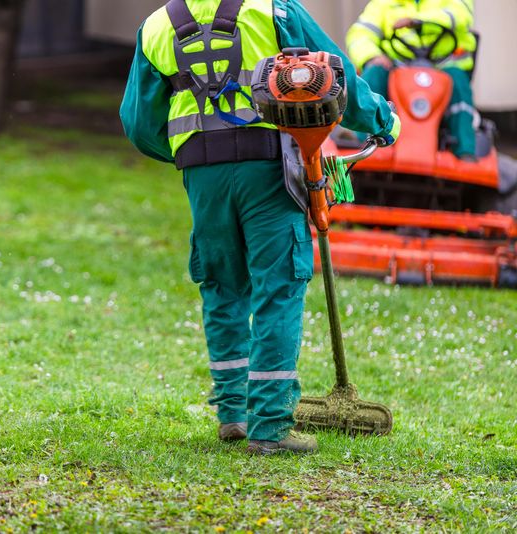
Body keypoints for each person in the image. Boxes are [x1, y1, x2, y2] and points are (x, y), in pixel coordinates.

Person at [120, 0, 400, 455]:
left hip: (201, 173)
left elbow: (138, 123)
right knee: (278, 284)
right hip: (267, 166)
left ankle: (233, 414)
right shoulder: (273, 11)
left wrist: (186, 153)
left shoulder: (155, 26)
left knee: (221, 283)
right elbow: (335, 74)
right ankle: (269, 425)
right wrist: (383, 121)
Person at [347, 0, 476, 160]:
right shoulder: (383, 4)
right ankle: (362, 144)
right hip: (397, 68)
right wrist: (372, 56)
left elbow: (460, 16)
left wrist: (419, 22)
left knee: (458, 81)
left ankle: (465, 151)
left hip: (443, 66)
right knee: (373, 74)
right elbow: (360, 33)